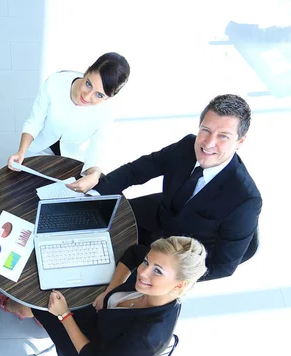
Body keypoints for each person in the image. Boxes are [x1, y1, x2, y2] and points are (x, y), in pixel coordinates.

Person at [69, 94, 262, 280]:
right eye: (206, 130)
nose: (209, 143)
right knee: (91, 225)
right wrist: (93, 195)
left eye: (223, 136)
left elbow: (222, 267)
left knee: (108, 283)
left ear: (239, 142)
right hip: (157, 216)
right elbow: (135, 171)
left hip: (176, 258)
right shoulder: (187, 146)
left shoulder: (245, 199)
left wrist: (163, 276)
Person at [3, 237, 206, 356]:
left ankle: (21, 309)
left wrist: (65, 315)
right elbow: (135, 252)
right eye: (147, 262)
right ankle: (37, 314)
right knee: (60, 286)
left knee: (39, 302)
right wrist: (111, 290)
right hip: (103, 317)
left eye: (158, 271)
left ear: (179, 285)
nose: (143, 272)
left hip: (89, 351)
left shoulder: (145, 339)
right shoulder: (152, 284)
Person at [8, 52, 130, 174]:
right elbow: (34, 121)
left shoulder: (106, 112)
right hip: (38, 150)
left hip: (71, 161)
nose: (87, 97)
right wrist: (21, 151)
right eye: (88, 84)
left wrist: (94, 174)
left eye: (99, 95)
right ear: (86, 72)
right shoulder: (55, 82)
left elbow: (97, 148)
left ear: (108, 98)